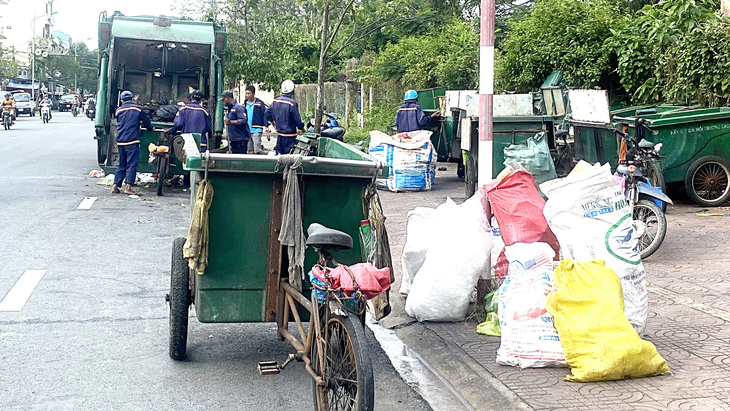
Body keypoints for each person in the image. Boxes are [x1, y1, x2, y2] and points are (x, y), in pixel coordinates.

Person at [112, 90, 153, 195]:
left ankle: (115, 186)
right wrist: (150, 129)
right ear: (132, 98)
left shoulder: (118, 110)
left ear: (121, 100)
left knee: (121, 164)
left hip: (120, 140)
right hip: (132, 140)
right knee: (131, 164)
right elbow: (146, 122)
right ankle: (128, 187)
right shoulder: (138, 109)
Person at [265, 79, 305, 155]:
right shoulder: (292, 103)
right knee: (289, 159)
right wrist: (302, 129)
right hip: (290, 136)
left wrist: (274, 124)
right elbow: (298, 121)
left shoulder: (275, 101)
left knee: (280, 158)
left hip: (280, 136)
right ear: (292, 90)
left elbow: (267, 113)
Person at [243, 85, 267, 154]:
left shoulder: (259, 103)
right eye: (246, 93)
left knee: (257, 148)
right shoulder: (245, 103)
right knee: (250, 149)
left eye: (249, 93)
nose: (247, 95)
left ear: (253, 94)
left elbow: (264, 115)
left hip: (256, 129)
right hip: (247, 129)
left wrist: (266, 125)